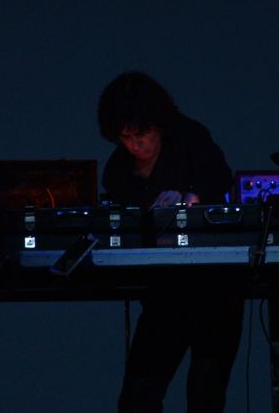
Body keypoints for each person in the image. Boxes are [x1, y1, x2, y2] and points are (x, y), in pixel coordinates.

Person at [98, 71, 244, 413]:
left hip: (214, 288)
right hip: (164, 292)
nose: (135, 145)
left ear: (158, 124)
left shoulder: (190, 138)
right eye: (125, 137)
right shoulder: (118, 170)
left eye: (142, 134)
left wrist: (191, 196)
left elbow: (218, 176)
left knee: (205, 395)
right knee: (138, 396)